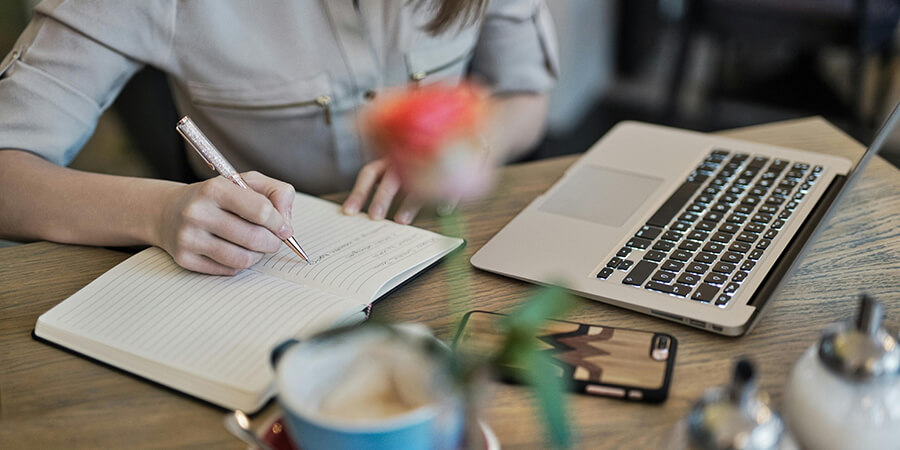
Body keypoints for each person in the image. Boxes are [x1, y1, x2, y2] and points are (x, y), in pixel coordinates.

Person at [0, 0, 558, 275]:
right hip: (257, 273)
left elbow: (526, 96)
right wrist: (159, 210)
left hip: (448, 249)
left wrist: (476, 143)